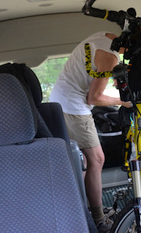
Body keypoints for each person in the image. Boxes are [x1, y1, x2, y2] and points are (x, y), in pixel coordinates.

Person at [49, 31, 131, 232]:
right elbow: (93, 98)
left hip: (62, 101)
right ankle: (98, 220)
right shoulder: (111, 57)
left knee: (84, 162)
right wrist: (122, 102)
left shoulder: (102, 37)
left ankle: (88, 211)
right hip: (73, 107)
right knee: (97, 160)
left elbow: (91, 71)